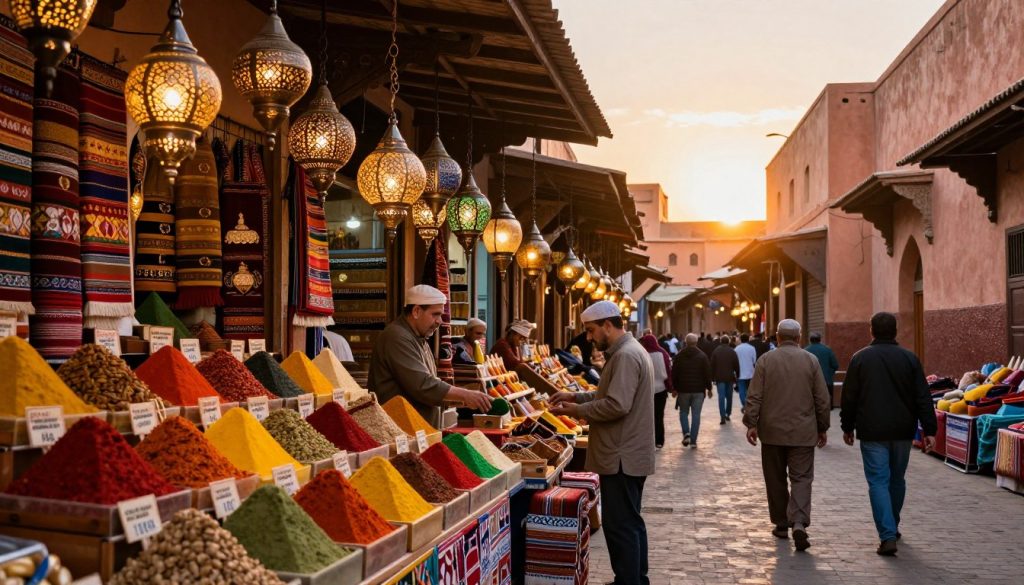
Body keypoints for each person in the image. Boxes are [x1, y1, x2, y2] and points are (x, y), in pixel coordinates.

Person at [550, 301, 654, 585]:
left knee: (620, 524)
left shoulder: (625, 356)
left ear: (608, 325)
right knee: (630, 522)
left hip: (622, 454)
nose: (589, 337)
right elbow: (607, 395)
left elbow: (616, 405)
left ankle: (628, 581)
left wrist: (576, 411)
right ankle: (635, 579)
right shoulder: (628, 352)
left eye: (591, 330)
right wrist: (575, 397)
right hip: (627, 452)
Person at [840, 312, 938, 556]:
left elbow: (849, 397)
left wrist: (847, 425)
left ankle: (887, 534)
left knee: (878, 481)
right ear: (895, 331)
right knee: (897, 479)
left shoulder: (860, 359)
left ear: (871, 330)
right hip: (903, 431)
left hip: (872, 431)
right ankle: (891, 527)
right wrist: (930, 429)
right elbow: (923, 397)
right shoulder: (910, 359)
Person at [742, 319, 831, 552]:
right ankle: (799, 521)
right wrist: (823, 426)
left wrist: (751, 423)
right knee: (802, 478)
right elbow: (822, 398)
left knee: (775, 478)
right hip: (803, 431)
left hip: (771, 432)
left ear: (778, 338)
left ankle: (782, 523)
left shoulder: (765, 361)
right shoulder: (811, 361)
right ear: (799, 337)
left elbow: (755, 396)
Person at [369, 285, 492, 423]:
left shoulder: (419, 337)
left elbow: (431, 383)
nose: (440, 321)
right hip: (401, 430)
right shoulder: (397, 336)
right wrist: (464, 395)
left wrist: (463, 397)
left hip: (418, 430)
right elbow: (423, 385)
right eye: (435, 314)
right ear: (416, 311)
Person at [672, 333, 712, 448]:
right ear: (696, 342)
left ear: (686, 342)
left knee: (683, 412)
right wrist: (709, 388)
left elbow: (674, 373)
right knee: (696, 415)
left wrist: (674, 388)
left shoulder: (679, 356)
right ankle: (693, 441)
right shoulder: (702, 356)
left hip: (683, 389)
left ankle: (686, 433)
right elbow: (707, 373)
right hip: (698, 390)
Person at [640, 333, 674, 449]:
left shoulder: (642, 354)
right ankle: (659, 440)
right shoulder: (662, 353)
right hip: (661, 389)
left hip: (645, 391)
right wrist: (670, 387)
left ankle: (648, 440)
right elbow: (668, 372)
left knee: (647, 416)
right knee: (659, 416)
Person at [804, 332, 840, 408]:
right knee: (826, 406)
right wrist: (830, 373)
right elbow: (835, 365)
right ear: (820, 340)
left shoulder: (805, 351)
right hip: (826, 381)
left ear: (810, 340)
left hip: (810, 383)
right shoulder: (827, 350)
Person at [710, 336, 739, 424]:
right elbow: (736, 365)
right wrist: (738, 375)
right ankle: (728, 413)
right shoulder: (732, 351)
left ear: (720, 342)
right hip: (729, 377)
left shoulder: (716, 351)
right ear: (728, 342)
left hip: (719, 378)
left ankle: (722, 416)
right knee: (729, 396)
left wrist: (712, 377)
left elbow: (712, 365)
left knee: (721, 397)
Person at [735, 333, 757, 412]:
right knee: (749, 391)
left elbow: (735, 361)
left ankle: (744, 405)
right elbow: (754, 360)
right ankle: (748, 405)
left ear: (741, 339)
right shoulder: (752, 348)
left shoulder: (737, 348)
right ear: (748, 339)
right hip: (750, 373)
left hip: (740, 373)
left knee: (741, 391)